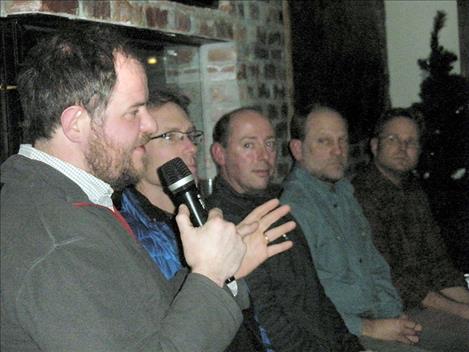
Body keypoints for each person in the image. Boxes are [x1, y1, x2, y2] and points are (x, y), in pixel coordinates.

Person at [0, 26, 289, 352]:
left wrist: (222, 268)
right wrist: (209, 275)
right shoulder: (55, 241)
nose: (150, 125)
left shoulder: (75, 200)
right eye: (133, 112)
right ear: (76, 124)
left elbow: (143, 317)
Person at [116, 89, 294, 352]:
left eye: (190, 135)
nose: (190, 147)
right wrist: (222, 271)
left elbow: (250, 320)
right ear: (137, 148)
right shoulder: (128, 233)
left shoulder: (209, 215)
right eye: (170, 137)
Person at [207, 107, 364, 351]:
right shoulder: (223, 225)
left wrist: (352, 346)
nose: (264, 156)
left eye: (269, 144)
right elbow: (268, 323)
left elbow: (317, 295)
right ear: (220, 153)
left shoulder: (275, 203)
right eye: (249, 145)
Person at [280, 105, 429, 352]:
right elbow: (300, 303)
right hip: (342, 332)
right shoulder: (292, 209)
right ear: (298, 149)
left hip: (382, 318)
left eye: (342, 141)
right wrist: (369, 328)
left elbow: (376, 266)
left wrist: (392, 316)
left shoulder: (345, 193)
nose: (338, 151)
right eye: (324, 141)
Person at [352, 107, 469, 350]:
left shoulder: (412, 191)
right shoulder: (361, 195)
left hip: (428, 301)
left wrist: (467, 303)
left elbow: (438, 262)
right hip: (392, 311)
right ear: (375, 146)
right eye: (392, 139)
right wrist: (459, 309)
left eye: (411, 142)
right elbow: (394, 278)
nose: (402, 148)